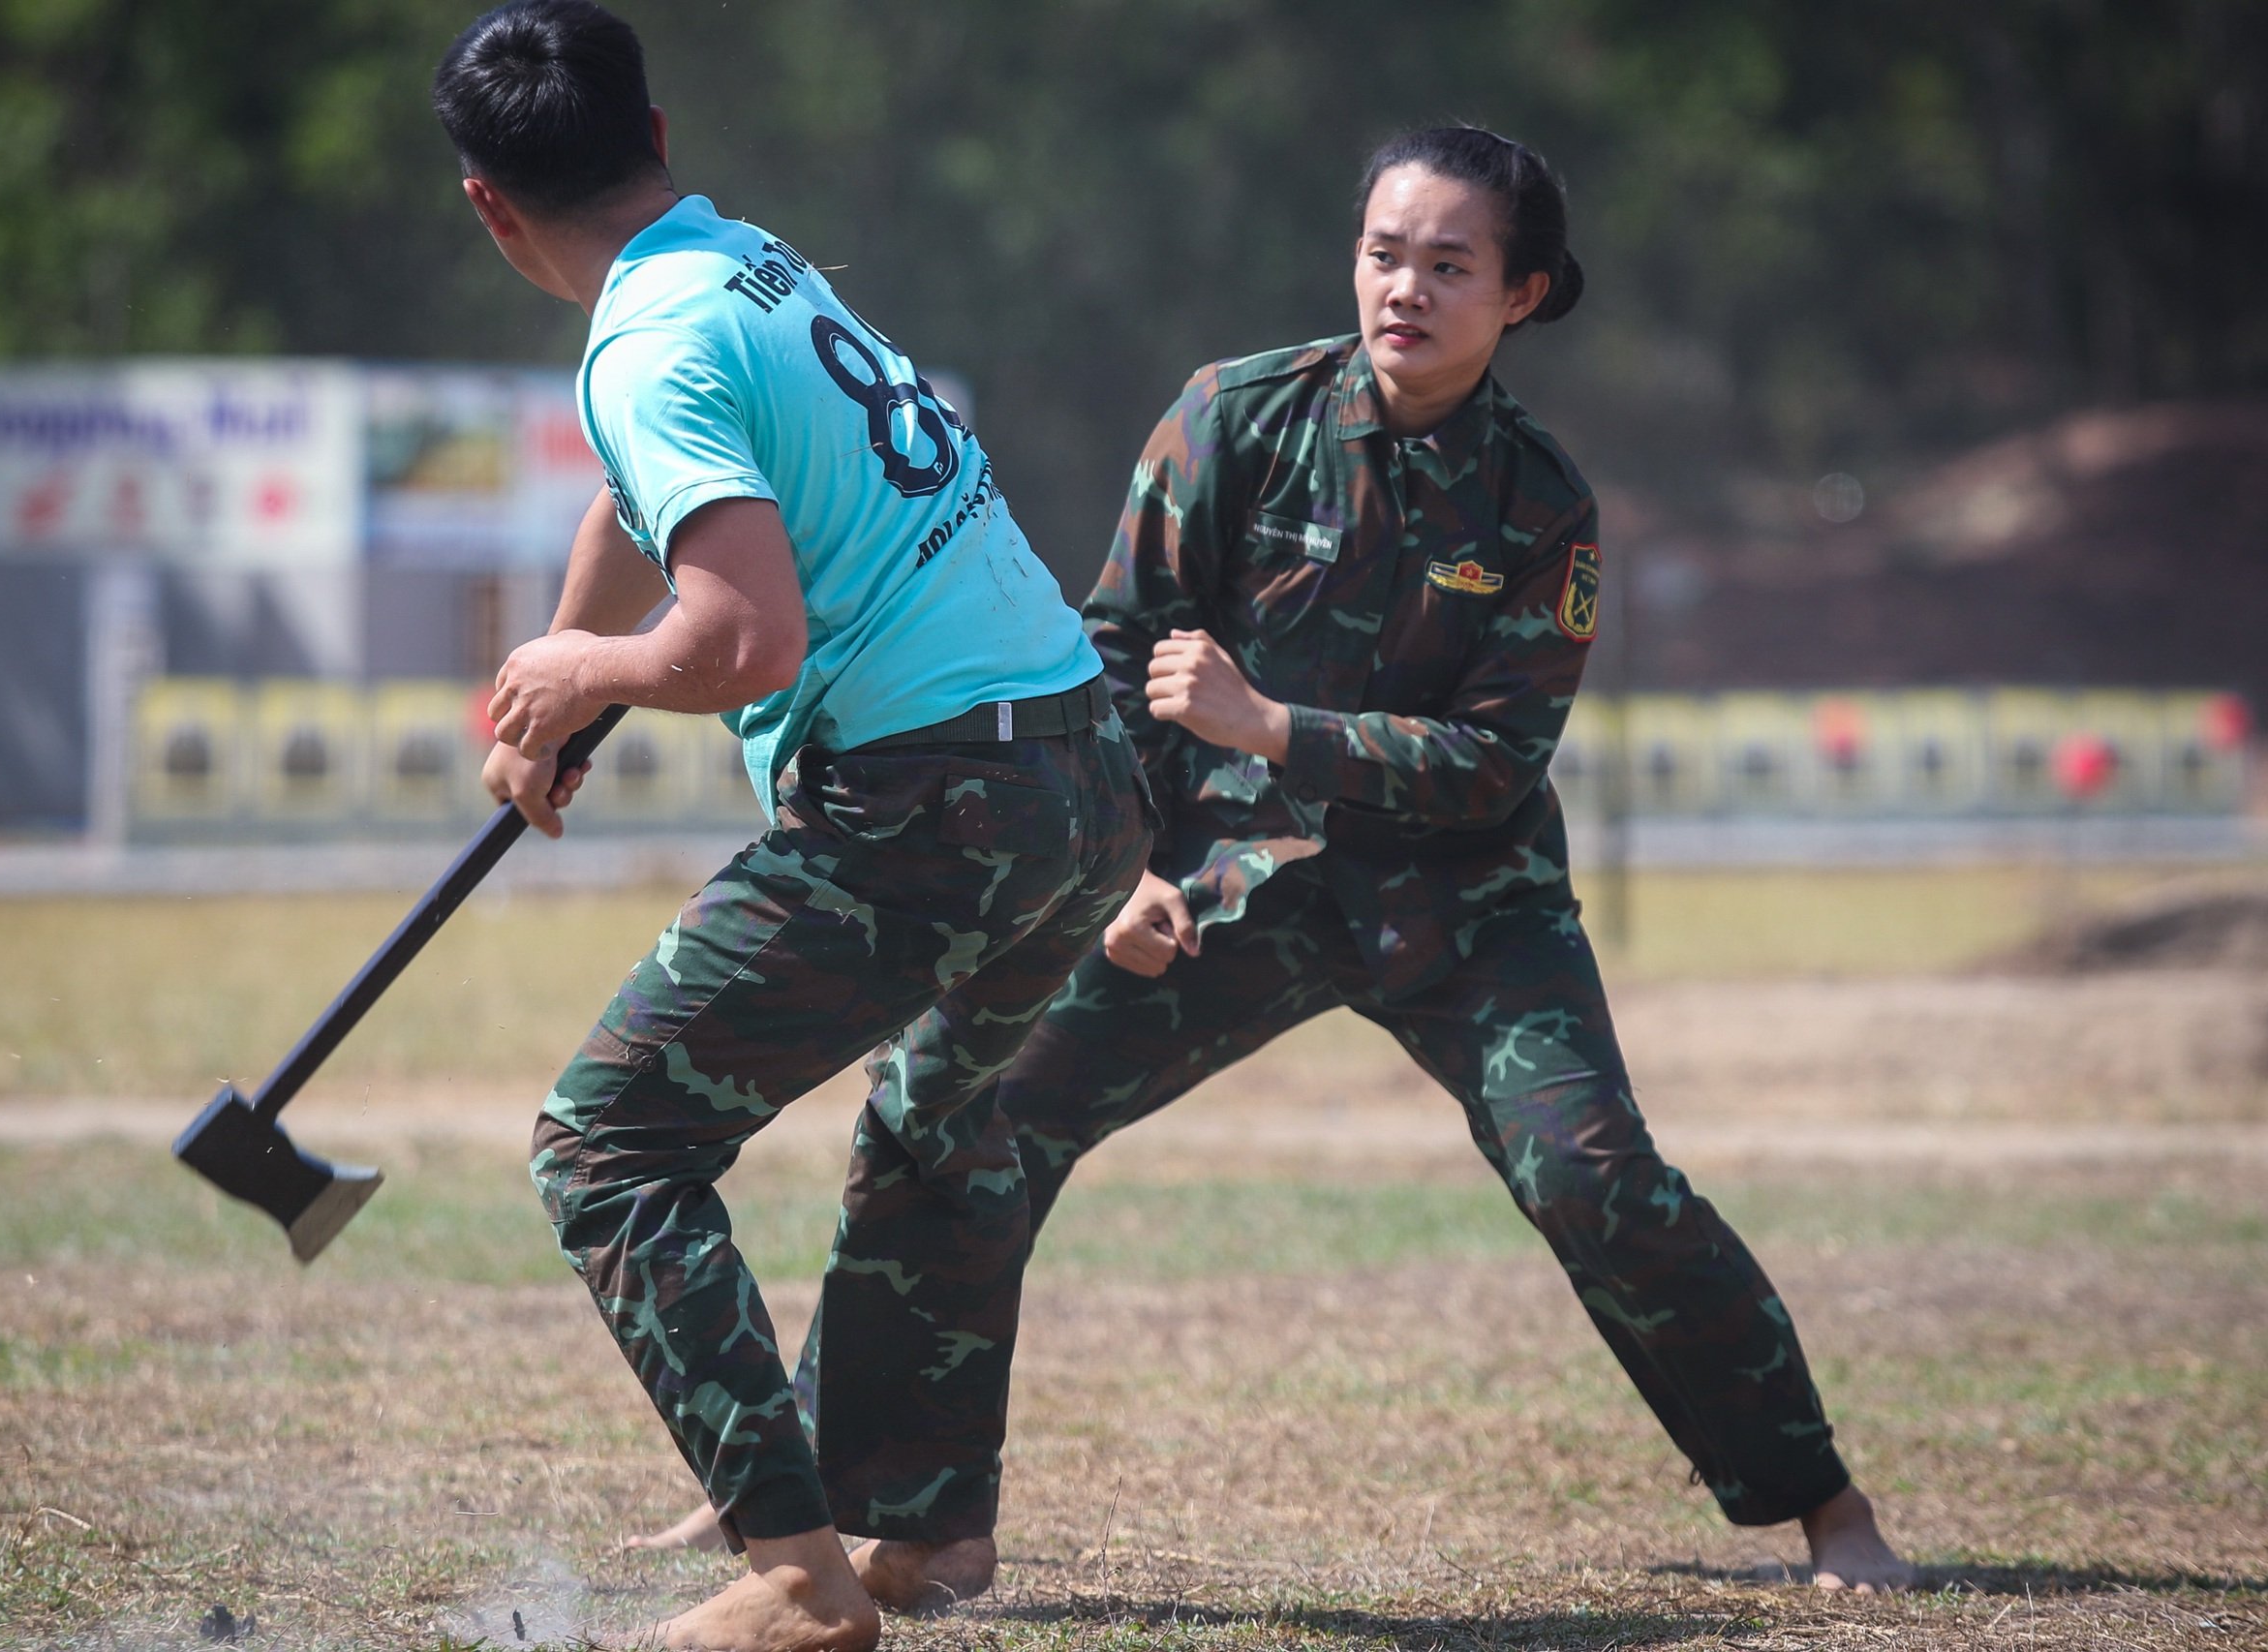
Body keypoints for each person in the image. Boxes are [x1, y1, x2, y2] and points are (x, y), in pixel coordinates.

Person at [640, 123, 1916, 1595]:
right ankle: (830, 1478)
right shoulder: (1232, 415)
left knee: (1594, 1172)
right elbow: (1107, 662)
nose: (1407, 289)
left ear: (1526, 296)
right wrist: (1118, 871)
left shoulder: (1540, 502)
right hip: (1219, 884)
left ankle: (1826, 1506)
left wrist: (1274, 723)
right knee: (961, 1100)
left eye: (1452, 265)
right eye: (1385, 253)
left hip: (1467, 902)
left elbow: (1496, 763)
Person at [429, 5, 1153, 1647]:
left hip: (930, 802)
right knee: (934, 1114)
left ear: (488, 204)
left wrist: (584, 666)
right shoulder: (742, 261)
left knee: (609, 1145)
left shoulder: (645, 340)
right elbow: (646, 499)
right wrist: (566, 701)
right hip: (1084, 777)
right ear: (661, 138)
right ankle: (924, 1529)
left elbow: (750, 640)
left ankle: (798, 1576)